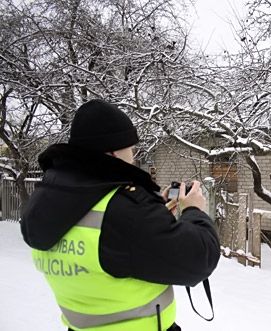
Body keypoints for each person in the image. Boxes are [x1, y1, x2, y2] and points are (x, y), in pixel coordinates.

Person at [21, 99, 220, 331]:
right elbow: (198, 259)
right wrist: (193, 210)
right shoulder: (124, 209)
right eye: (131, 149)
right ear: (114, 153)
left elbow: (112, 241)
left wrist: (155, 214)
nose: (133, 156)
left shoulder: (47, 199)